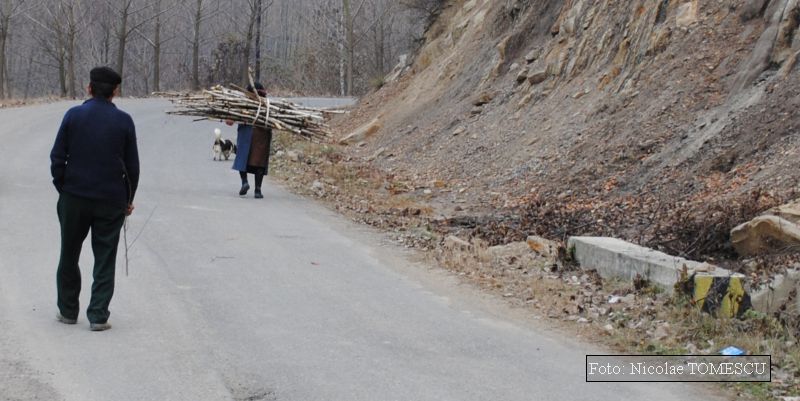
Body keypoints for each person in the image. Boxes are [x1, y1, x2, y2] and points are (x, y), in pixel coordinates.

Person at [50, 66, 139, 332]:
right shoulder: (124, 121)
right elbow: (133, 167)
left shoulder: (73, 115)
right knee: (105, 258)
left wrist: (64, 188)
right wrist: (128, 198)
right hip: (111, 199)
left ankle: (68, 311)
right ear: (115, 92)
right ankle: (98, 315)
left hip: (74, 196)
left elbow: (57, 157)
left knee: (69, 253)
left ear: (89, 88)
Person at [227, 82, 274, 199]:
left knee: (242, 158)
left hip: (246, 132)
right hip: (262, 135)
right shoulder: (267, 104)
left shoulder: (243, 103)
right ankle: (258, 190)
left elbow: (229, 121)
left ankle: (244, 182)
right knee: (259, 162)